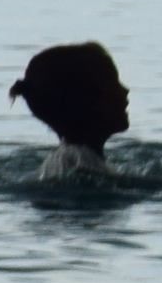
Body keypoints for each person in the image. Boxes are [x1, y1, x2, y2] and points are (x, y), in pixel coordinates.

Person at [9, 42, 130, 181]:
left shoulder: (66, 162)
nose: (125, 90)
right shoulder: (84, 166)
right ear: (89, 99)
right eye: (115, 83)